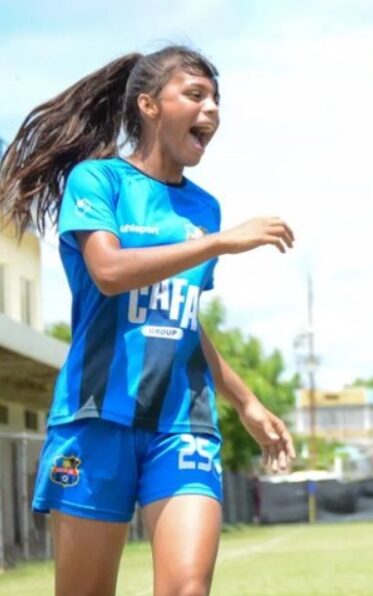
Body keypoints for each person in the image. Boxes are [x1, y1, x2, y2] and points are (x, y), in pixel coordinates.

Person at [0, 46, 295, 596]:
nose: (211, 110)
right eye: (195, 95)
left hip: (181, 423)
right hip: (94, 417)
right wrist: (222, 243)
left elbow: (183, 318)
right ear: (148, 105)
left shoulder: (203, 208)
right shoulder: (98, 181)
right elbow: (109, 271)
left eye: (216, 100)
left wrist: (247, 402)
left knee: (187, 589)